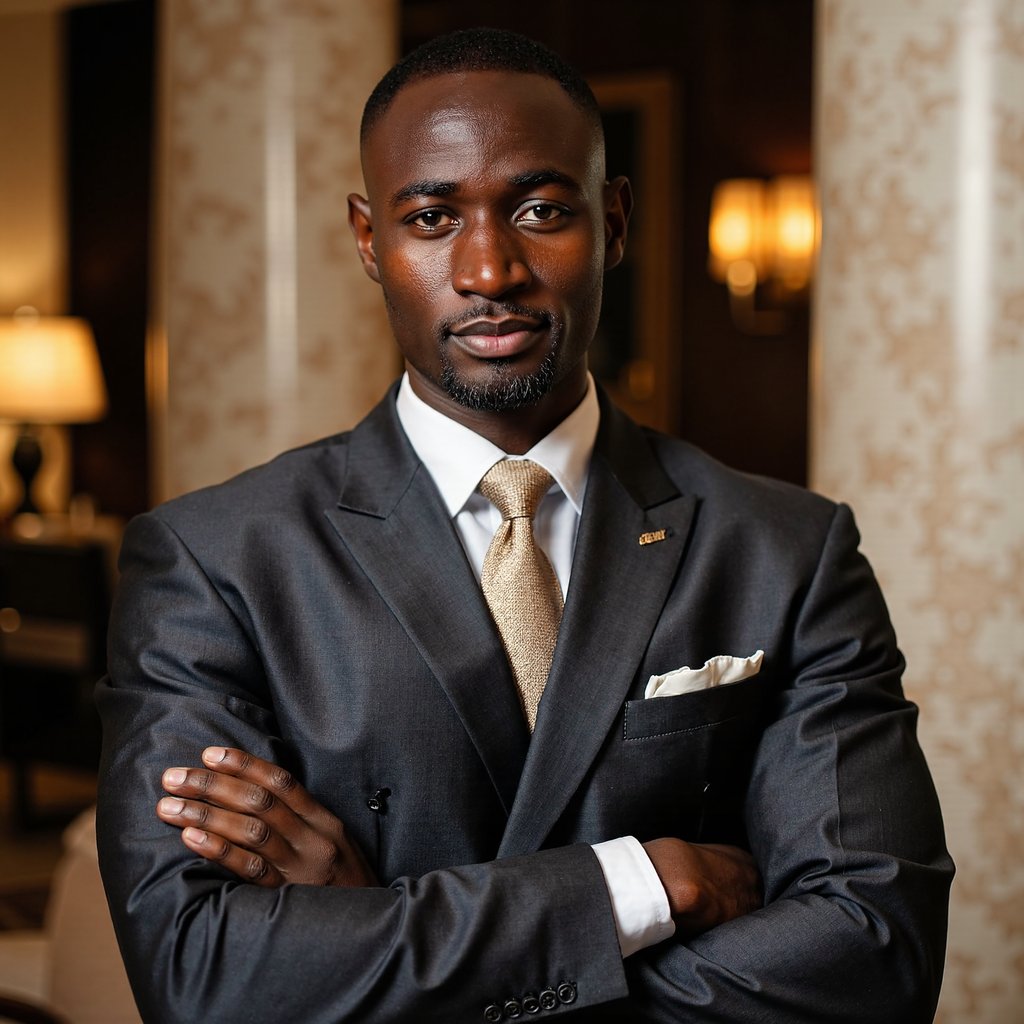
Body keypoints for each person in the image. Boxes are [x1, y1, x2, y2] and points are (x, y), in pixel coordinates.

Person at [96, 27, 953, 1023]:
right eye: (431, 217)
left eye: (541, 210)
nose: (490, 268)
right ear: (370, 241)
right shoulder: (214, 562)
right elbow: (202, 979)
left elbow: (876, 951)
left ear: (616, 220)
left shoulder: (787, 550)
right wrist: (637, 886)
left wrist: (377, 945)